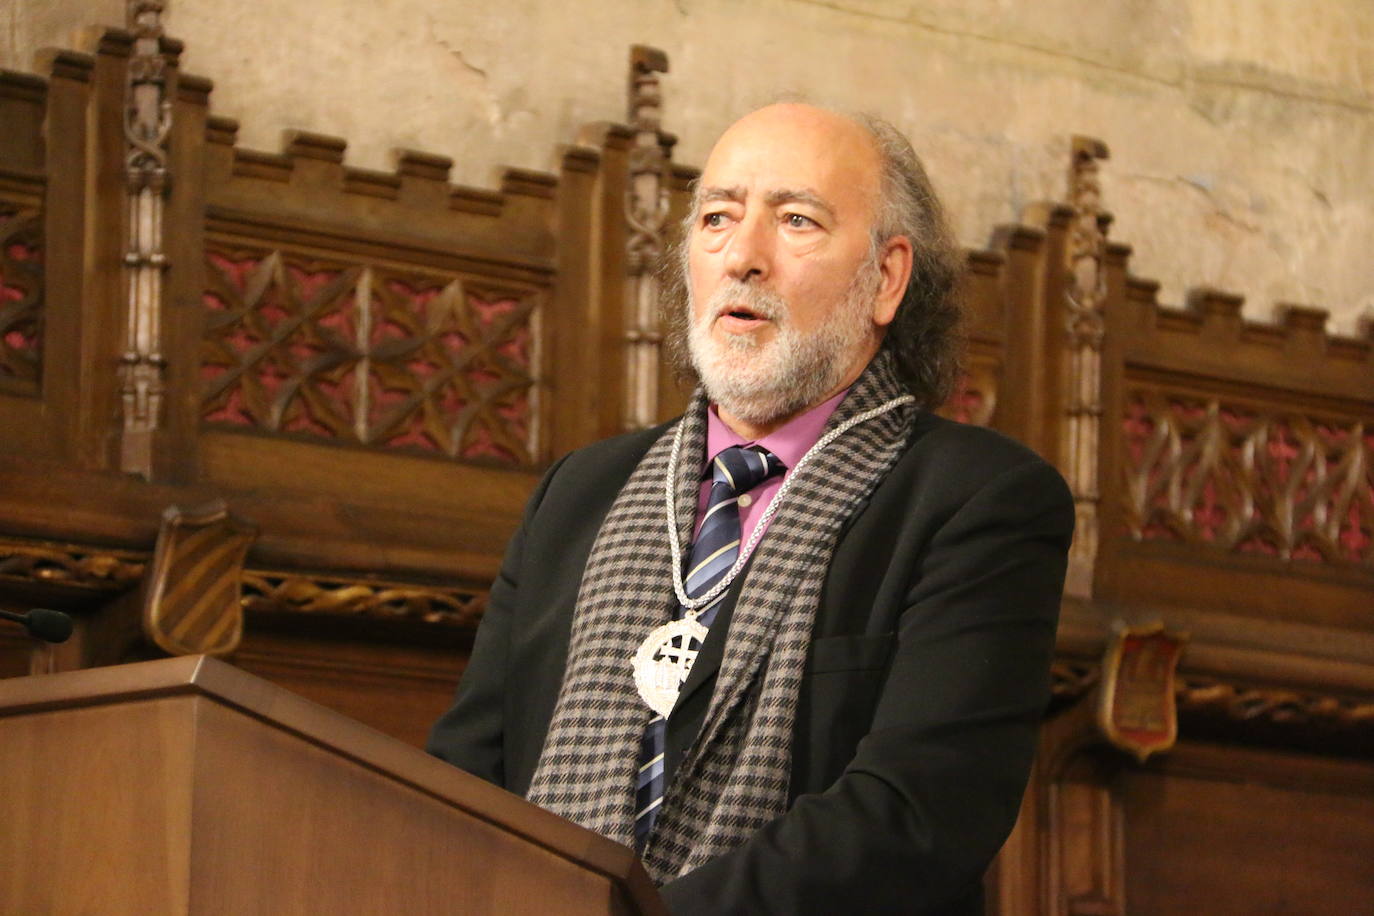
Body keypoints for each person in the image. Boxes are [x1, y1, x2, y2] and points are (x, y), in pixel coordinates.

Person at [427, 103, 1074, 914]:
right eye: (717, 218)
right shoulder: (577, 495)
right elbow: (463, 776)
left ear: (886, 278)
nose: (743, 256)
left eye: (796, 220)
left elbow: (919, 812)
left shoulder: (976, 501)